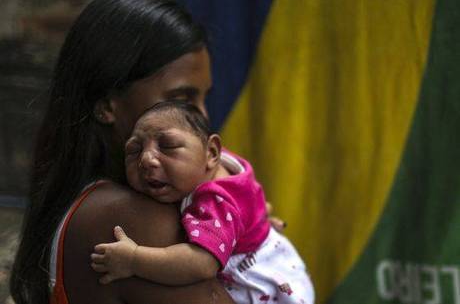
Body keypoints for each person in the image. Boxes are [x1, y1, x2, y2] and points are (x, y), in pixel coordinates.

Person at [9, 0, 240, 303]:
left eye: (202, 99)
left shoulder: (89, 198)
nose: (202, 118)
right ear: (107, 106)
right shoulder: (129, 217)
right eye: (181, 99)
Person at [90, 101, 315, 304]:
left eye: (167, 146)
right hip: (286, 268)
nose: (146, 160)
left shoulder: (216, 200)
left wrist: (134, 259)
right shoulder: (217, 163)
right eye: (134, 150)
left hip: (264, 289)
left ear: (212, 152)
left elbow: (202, 264)